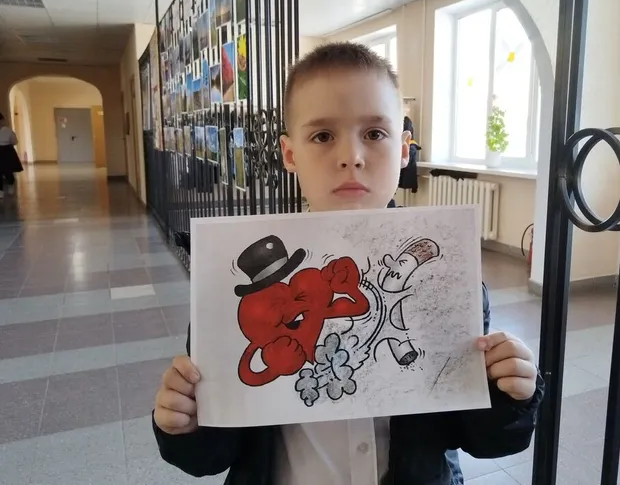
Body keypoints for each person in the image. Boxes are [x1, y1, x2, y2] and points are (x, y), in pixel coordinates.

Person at [152, 42, 544, 485]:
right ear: (289, 154)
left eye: (374, 134)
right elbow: (212, 453)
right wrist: (185, 425)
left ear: (404, 149)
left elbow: (479, 437)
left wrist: (509, 396)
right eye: (322, 136)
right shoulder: (226, 299)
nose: (351, 156)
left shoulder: (449, 282)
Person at [0, 113, 23, 199]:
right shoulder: (8, 131)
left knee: (7, 170)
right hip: (7, 150)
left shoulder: (8, 131)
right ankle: (4, 189)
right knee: (5, 170)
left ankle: (8, 186)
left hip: (6, 151)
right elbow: (15, 141)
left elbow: (15, 141)